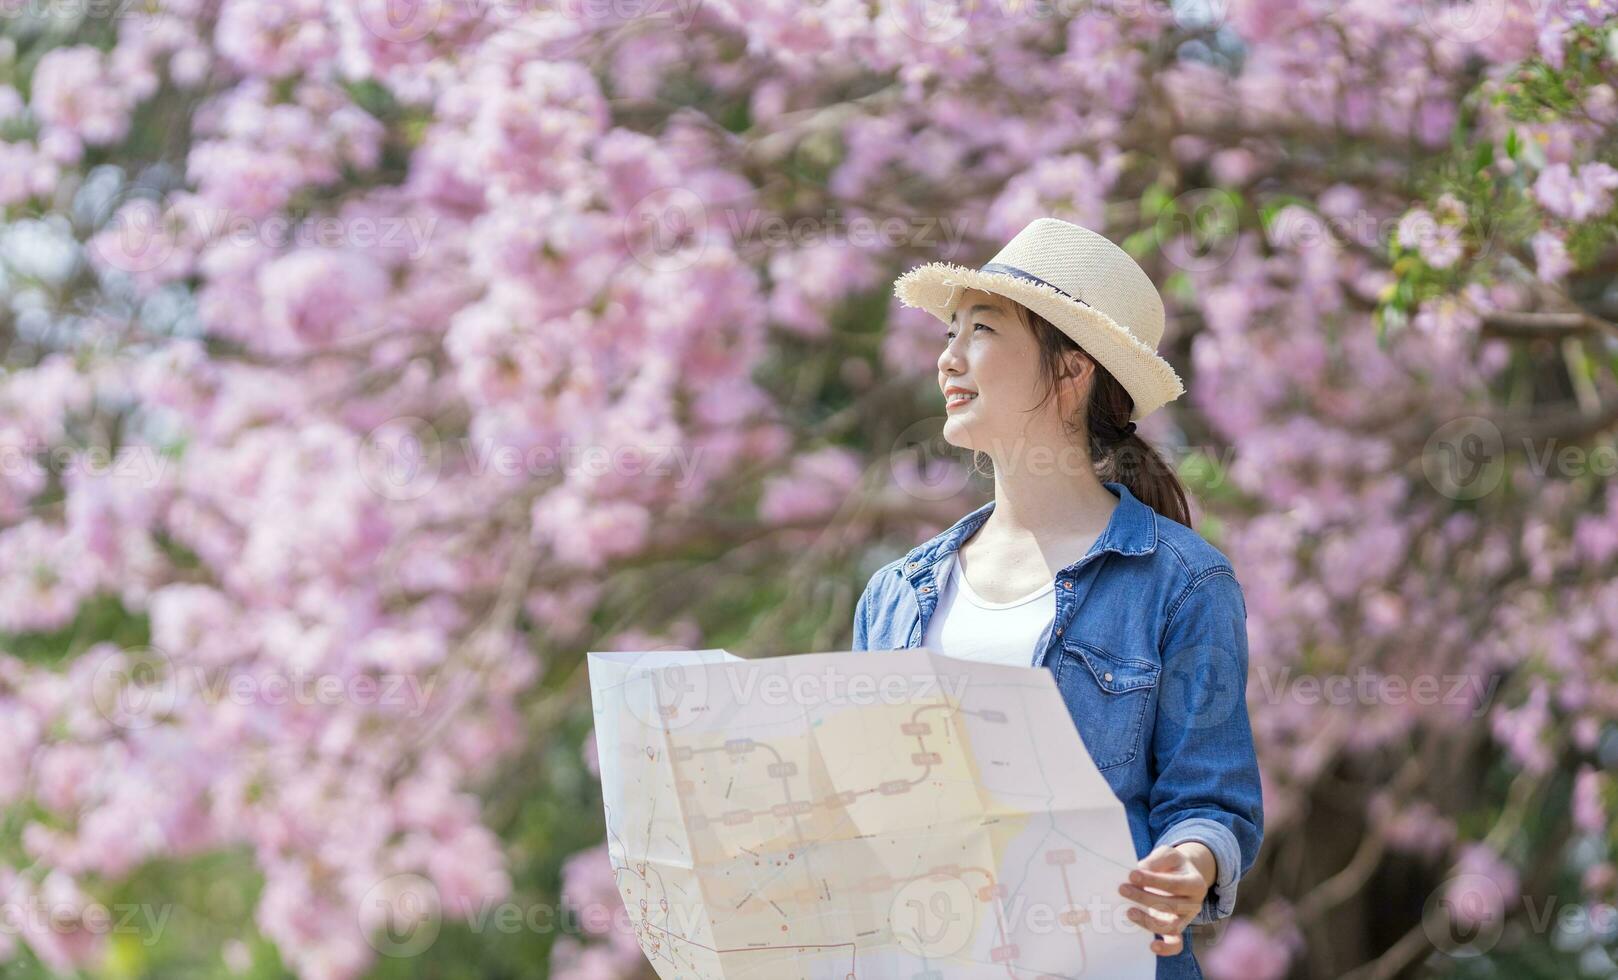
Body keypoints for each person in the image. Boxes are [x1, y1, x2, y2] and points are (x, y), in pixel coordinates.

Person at [852, 218, 1264, 980]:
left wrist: (1190, 863)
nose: (948, 358)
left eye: (981, 329)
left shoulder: (1183, 583)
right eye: (950, 332)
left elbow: (1210, 799)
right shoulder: (894, 596)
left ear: (1071, 372)